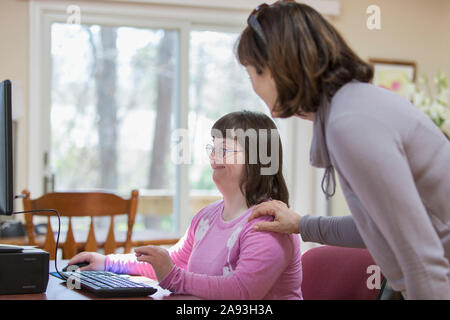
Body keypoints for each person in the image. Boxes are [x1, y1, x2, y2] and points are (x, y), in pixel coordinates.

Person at [237, 1, 450, 299]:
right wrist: (301, 225)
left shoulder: (350, 122)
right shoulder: (351, 107)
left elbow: (423, 262)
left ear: (273, 68)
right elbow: (378, 229)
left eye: (252, 75)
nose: (254, 88)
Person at [69, 111, 302, 300]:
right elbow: (171, 262)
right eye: (213, 148)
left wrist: (173, 277)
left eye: (224, 150)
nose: (213, 157)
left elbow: (241, 292)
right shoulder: (207, 217)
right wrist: (107, 262)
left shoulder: (270, 223)